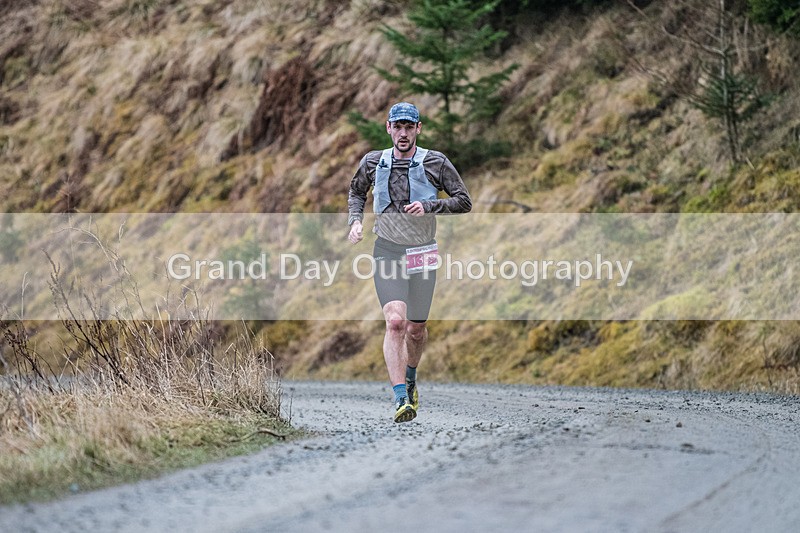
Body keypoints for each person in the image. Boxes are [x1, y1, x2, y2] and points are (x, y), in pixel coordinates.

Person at [347, 102, 472, 423]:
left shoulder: (435, 162)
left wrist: (431, 206)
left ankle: (412, 378)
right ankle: (401, 398)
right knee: (395, 322)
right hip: (387, 250)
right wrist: (355, 222)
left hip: (422, 252)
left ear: (418, 129)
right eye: (397, 127)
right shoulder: (373, 161)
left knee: (416, 330)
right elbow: (356, 191)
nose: (403, 133)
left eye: (409, 127)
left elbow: (463, 201)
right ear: (388, 128)